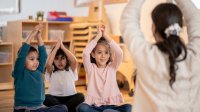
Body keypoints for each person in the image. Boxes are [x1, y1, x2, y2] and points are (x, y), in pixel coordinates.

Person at [120, 0, 200, 112]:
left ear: (153, 28)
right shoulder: (195, 55)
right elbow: (195, 18)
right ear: (180, 27)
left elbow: (127, 19)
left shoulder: (145, 55)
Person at [12, 23, 68, 112]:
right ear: (22, 63)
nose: (36, 62)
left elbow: (43, 55)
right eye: (31, 59)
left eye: (36, 59)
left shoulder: (39, 70)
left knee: (63, 108)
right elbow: (22, 55)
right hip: (25, 109)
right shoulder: (19, 72)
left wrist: (38, 36)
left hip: (39, 108)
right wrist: (32, 34)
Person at [76, 25, 132, 112]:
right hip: (95, 107)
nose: (103, 56)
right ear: (93, 54)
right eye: (99, 52)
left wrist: (105, 35)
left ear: (109, 55)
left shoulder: (112, 67)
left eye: (106, 53)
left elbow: (120, 53)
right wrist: (98, 36)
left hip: (111, 106)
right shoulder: (91, 68)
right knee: (82, 108)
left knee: (129, 107)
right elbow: (85, 53)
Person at [43, 38, 84, 112]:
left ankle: (62, 109)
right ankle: (65, 109)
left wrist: (62, 47)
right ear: (53, 60)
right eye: (57, 59)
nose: (60, 61)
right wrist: (56, 48)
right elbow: (48, 63)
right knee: (45, 97)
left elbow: (74, 61)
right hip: (55, 98)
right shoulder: (51, 70)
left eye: (63, 58)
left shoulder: (71, 69)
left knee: (80, 96)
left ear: (67, 59)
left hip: (70, 97)